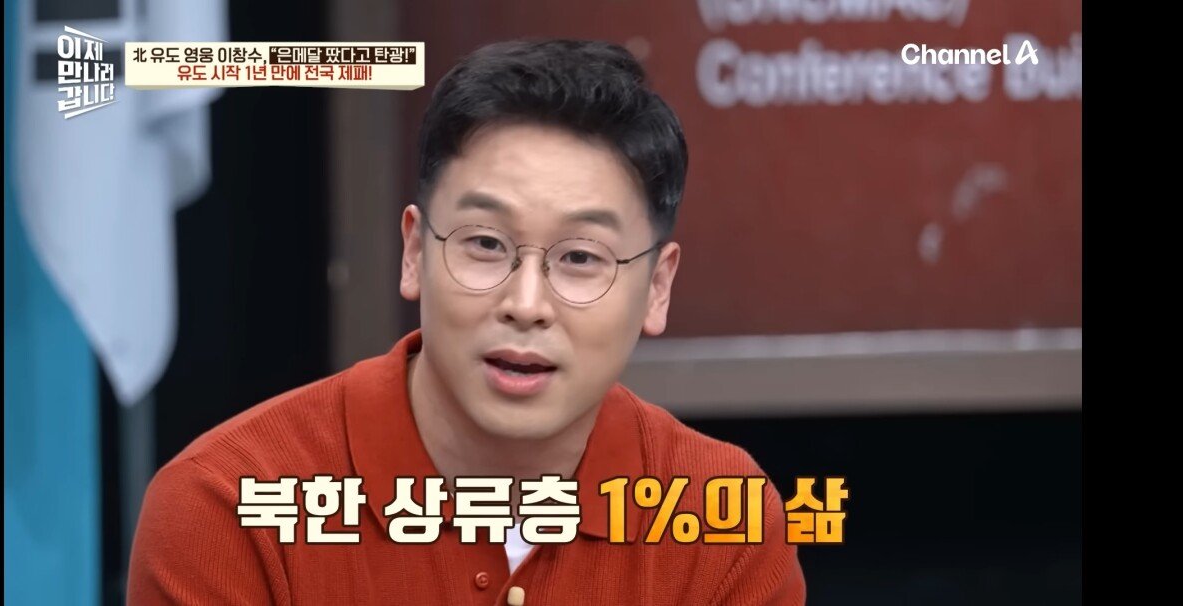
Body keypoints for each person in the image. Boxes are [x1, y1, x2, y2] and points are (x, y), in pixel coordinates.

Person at [128, 38, 805, 605]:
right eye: (485, 243)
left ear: (657, 288)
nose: (526, 304)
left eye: (580, 257)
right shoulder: (226, 507)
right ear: (414, 253)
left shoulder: (721, 520)